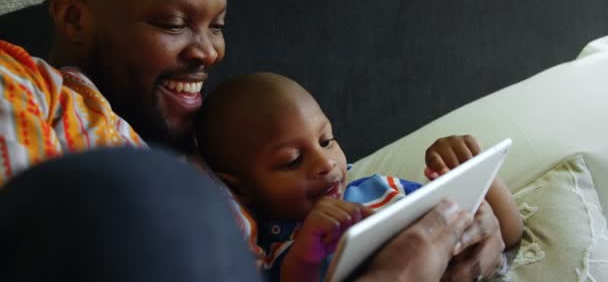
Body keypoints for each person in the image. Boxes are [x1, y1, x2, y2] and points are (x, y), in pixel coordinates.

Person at [0, 0, 507, 280]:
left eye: (217, 26)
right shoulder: (20, 82)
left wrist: (468, 225)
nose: (209, 52)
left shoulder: (216, 146)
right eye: (173, 24)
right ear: (72, 18)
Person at [196, 72, 522, 281]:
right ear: (242, 190)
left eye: (327, 141)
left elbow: (509, 232)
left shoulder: (380, 188)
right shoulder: (287, 248)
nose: (325, 163)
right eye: (292, 161)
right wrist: (308, 251)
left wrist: (474, 170)